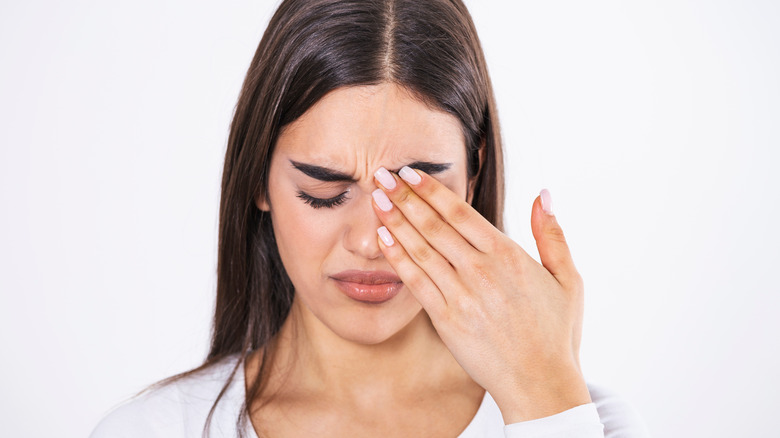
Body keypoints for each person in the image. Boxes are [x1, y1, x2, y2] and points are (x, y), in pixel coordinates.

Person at [90, 0, 651, 436]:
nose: (370, 242)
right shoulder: (156, 430)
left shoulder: (579, 418)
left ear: (473, 176)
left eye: (413, 194)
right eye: (323, 192)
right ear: (258, 177)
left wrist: (547, 402)